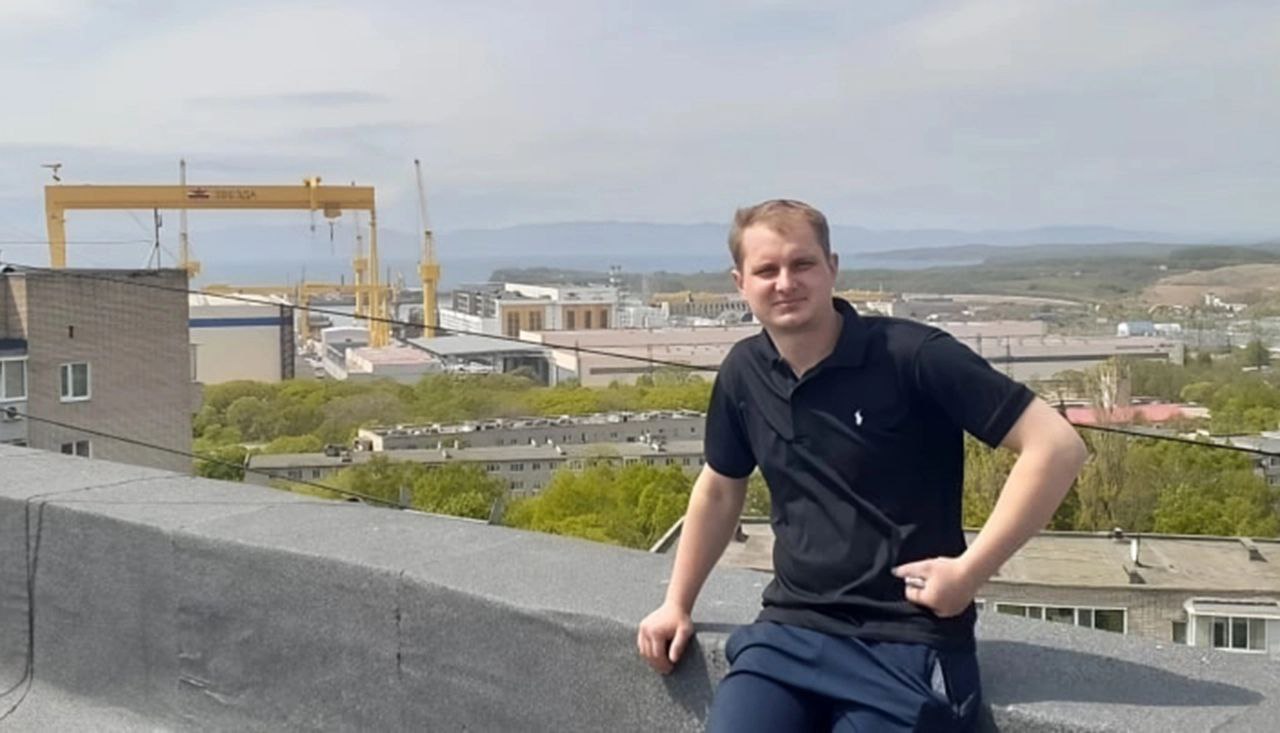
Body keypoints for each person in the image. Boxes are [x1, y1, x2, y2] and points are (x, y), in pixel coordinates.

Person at [636, 200, 1087, 732]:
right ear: (741, 283)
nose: (786, 283)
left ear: (832, 267)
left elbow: (1057, 446)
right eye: (767, 270)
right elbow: (720, 487)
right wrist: (676, 603)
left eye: (802, 264)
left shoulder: (911, 355)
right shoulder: (745, 371)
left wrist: (970, 573)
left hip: (908, 639)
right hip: (791, 630)